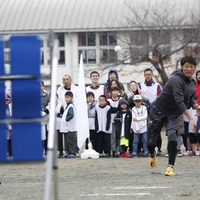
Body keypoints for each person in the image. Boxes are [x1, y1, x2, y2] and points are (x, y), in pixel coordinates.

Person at [147, 56, 200, 176]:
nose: (189, 69)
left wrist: (196, 106)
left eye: (191, 67)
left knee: (172, 135)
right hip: (158, 110)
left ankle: (170, 167)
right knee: (151, 142)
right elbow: (179, 101)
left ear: (194, 68)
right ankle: (152, 154)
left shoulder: (192, 83)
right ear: (182, 67)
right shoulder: (176, 79)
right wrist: (191, 118)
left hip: (174, 113)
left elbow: (190, 99)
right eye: (186, 66)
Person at [139, 68, 162, 154]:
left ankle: (158, 148)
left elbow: (161, 97)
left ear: (152, 75)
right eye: (146, 74)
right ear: (144, 75)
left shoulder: (157, 85)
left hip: (155, 110)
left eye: (149, 74)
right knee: (144, 130)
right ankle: (145, 148)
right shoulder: (140, 85)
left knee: (156, 129)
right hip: (144, 110)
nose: (148, 76)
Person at [60, 91, 76, 158]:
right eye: (65, 97)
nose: (66, 99)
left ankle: (72, 152)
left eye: (68, 97)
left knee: (70, 141)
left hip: (69, 128)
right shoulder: (67, 106)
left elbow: (71, 115)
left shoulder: (71, 106)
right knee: (66, 141)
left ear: (71, 98)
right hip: (66, 128)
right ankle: (68, 152)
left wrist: (66, 120)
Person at [107, 86, 122, 157]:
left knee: (119, 135)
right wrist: (117, 109)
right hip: (111, 121)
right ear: (111, 92)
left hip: (120, 120)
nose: (115, 92)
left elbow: (122, 108)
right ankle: (113, 150)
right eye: (113, 91)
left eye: (116, 91)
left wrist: (115, 109)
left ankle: (120, 150)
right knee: (113, 136)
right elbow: (110, 110)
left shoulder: (121, 100)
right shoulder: (109, 101)